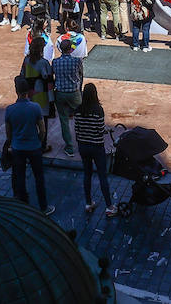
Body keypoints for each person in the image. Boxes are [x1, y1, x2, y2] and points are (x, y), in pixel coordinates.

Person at [5, 74, 54, 215]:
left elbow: (8, 133)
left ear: (16, 91)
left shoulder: (10, 110)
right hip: (34, 147)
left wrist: (12, 143)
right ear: (28, 91)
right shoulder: (35, 108)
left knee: (19, 177)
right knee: (39, 177)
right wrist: (38, 141)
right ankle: (43, 207)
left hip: (18, 147)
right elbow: (42, 129)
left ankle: (23, 205)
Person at [73, 83, 115, 216]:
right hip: (96, 147)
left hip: (83, 146)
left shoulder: (78, 110)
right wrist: (106, 130)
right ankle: (109, 206)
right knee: (102, 175)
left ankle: (88, 203)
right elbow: (99, 130)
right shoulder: (98, 110)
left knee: (87, 174)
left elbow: (77, 130)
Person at [52, 38, 84, 157]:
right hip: (74, 93)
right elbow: (81, 76)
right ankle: (83, 143)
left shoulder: (55, 62)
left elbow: (52, 75)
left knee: (64, 121)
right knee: (81, 118)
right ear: (71, 49)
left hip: (60, 93)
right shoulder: (77, 61)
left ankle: (69, 147)